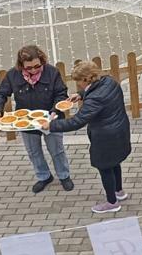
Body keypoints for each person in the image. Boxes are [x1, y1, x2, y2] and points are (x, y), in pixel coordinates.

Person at [48, 60, 133, 214]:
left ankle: (112, 202)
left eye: (79, 81)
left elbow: (76, 121)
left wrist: (51, 126)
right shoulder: (109, 82)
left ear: (87, 79)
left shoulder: (95, 99)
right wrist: (81, 95)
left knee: (105, 167)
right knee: (115, 162)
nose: (78, 84)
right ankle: (119, 192)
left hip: (105, 137)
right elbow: (96, 91)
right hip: (120, 130)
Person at [0, 45, 73, 193]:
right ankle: (44, 176)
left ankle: (64, 175)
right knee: (33, 151)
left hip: (50, 119)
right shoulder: (12, 75)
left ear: (42, 60)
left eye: (37, 66)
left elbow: (61, 93)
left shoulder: (52, 72)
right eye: (29, 68)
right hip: (26, 122)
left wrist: (55, 111)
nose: (34, 70)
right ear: (21, 65)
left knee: (57, 150)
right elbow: (0, 94)